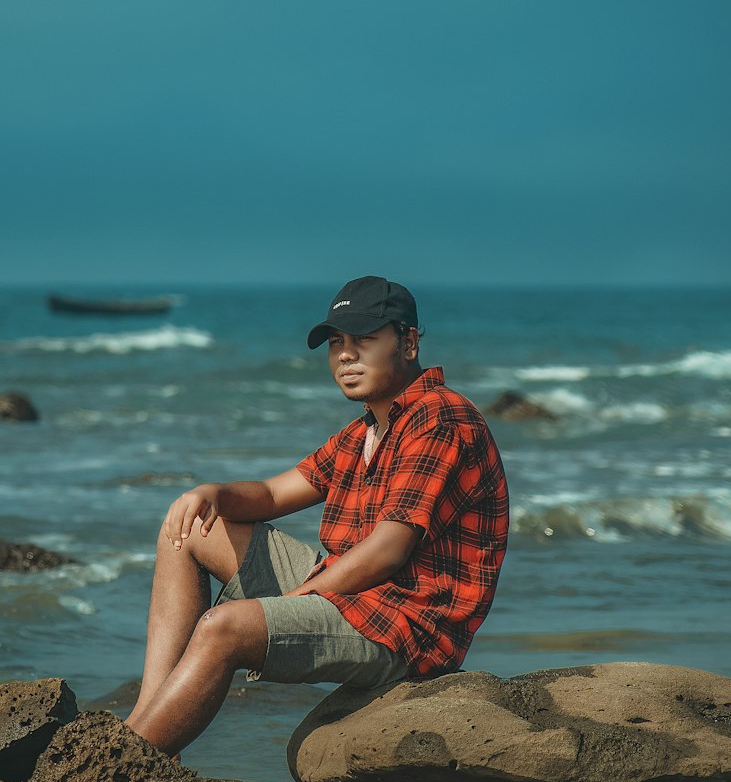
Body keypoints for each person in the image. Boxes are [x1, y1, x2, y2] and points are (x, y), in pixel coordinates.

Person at [125, 276, 509, 757]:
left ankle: (131, 762)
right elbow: (270, 493)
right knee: (186, 529)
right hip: (354, 595)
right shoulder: (365, 430)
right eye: (336, 343)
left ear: (409, 342)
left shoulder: (440, 418)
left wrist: (294, 602)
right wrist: (211, 493)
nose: (346, 355)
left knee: (224, 627)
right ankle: (143, 727)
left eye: (364, 340)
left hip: (406, 628)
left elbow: (388, 551)